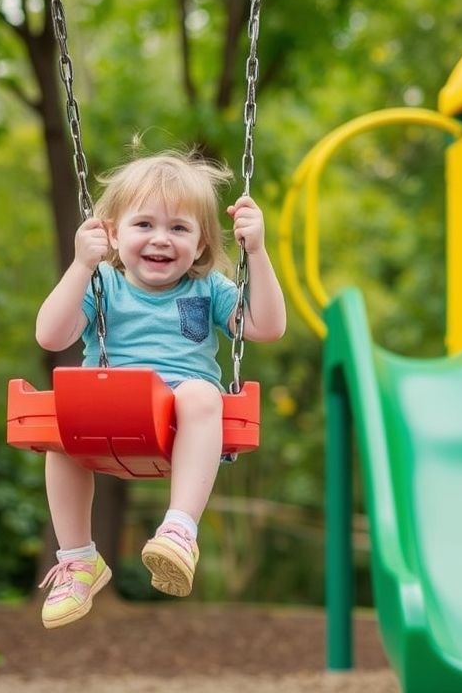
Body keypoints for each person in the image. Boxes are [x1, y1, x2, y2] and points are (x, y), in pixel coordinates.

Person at [33, 151, 286, 628]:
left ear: (202, 242)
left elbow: (266, 327)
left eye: (179, 229)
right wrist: (79, 267)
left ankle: (179, 530)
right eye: (144, 224)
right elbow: (50, 335)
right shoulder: (102, 283)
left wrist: (258, 253)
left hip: (179, 423)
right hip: (111, 413)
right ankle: (79, 559)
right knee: (60, 434)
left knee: (200, 393)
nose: (160, 239)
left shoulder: (207, 288)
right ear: (112, 232)